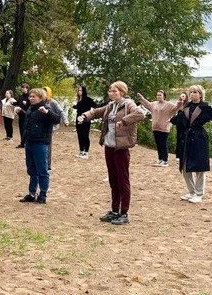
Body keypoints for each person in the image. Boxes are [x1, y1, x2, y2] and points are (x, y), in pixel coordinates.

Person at [77, 81, 147, 226]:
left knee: (123, 181)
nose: (111, 93)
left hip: (120, 148)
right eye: (110, 91)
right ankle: (114, 211)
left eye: (114, 91)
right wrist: (84, 116)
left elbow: (140, 114)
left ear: (122, 92)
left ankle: (124, 213)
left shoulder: (128, 104)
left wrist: (124, 121)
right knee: (113, 180)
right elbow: (96, 112)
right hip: (109, 146)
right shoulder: (110, 105)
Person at [171, 85, 212, 203]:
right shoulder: (186, 106)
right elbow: (179, 119)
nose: (192, 94)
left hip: (199, 138)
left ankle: (199, 194)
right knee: (185, 166)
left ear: (200, 94)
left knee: (199, 168)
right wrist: (170, 120)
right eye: (191, 92)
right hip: (186, 139)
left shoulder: (205, 108)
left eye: (195, 92)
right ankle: (191, 192)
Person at [16, 88, 59, 204]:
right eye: (30, 96)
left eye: (33, 96)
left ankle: (43, 194)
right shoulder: (31, 108)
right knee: (31, 169)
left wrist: (47, 112)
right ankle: (31, 193)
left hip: (40, 143)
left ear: (40, 98)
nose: (30, 98)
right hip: (29, 142)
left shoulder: (46, 108)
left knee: (42, 170)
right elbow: (29, 124)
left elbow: (56, 119)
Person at [137, 90, 181, 167]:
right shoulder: (154, 104)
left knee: (163, 144)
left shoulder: (168, 105)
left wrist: (180, 102)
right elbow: (147, 104)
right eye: (157, 95)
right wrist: (141, 98)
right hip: (155, 127)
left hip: (164, 128)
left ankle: (165, 161)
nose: (158, 96)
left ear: (164, 96)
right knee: (158, 144)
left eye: (160, 95)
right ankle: (160, 159)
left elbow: (176, 108)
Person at [72, 86, 98, 159]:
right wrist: (75, 106)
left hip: (86, 119)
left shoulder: (87, 99)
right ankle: (81, 151)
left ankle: (86, 152)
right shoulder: (79, 100)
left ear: (84, 91)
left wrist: (91, 114)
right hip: (78, 119)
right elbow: (79, 107)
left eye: (81, 90)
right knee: (79, 135)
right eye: (78, 90)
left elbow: (95, 106)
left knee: (85, 135)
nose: (79, 92)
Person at [15, 83, 31, 148]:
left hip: (26, 116)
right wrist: (12, 103)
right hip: (20, 116)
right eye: (22, 88)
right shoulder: (21, 96)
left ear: (27, 88)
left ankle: (25, 143)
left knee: (25, 130)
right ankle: (22, 143)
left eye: (24, 88)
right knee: (21, 129)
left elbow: (30, 107)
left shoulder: (29, 97)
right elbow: (17, 103)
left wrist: (22, 110)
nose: (22, 89)